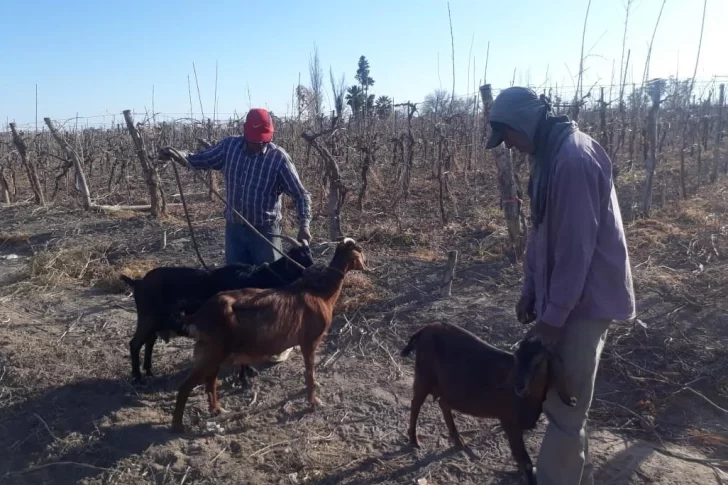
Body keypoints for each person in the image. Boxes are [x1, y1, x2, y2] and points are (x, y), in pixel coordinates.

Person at [485, 87, 635, 485]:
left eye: (509, 137)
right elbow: (541, 233)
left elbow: (576, 251)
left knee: (566, 408)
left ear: (523, 124)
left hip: (586, 302)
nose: (511, 147)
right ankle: (569, 475)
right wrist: (530, 289)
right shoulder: (547, 157)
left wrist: (552, 319)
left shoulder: (571, 160)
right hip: (566, 298)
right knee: (558, 401)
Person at [159, 108, 312, 364]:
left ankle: (276, 343)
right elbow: (200, 159)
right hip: (235, 230)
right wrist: (178, 155)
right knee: (235, 288)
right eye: (254, 138)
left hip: (265, 231)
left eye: (263, 139)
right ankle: (239, 340)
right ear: (245, 133)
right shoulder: (229, 148)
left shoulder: (278, 159)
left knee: (271, 291)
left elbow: (301, 194)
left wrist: (304, 225)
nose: (257, 143)